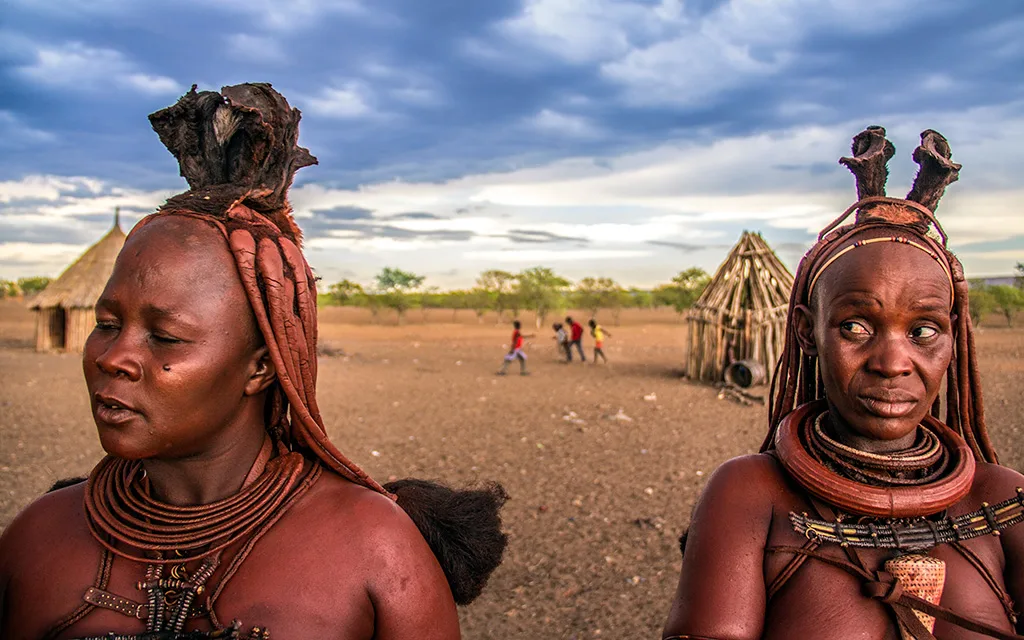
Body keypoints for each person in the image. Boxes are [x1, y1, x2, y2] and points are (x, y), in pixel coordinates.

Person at [0, 84, 507, 640]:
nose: (114, 358)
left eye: (166, 338)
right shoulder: (36, 539)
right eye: (107, 324)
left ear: (260, 368)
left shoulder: (375, 554)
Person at [663, 127, 1024, 640]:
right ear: (809, 332)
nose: (892, 363)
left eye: (923, 331)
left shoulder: (1004, 500)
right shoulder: (751, 494)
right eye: (856, 326)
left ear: (954, 339)